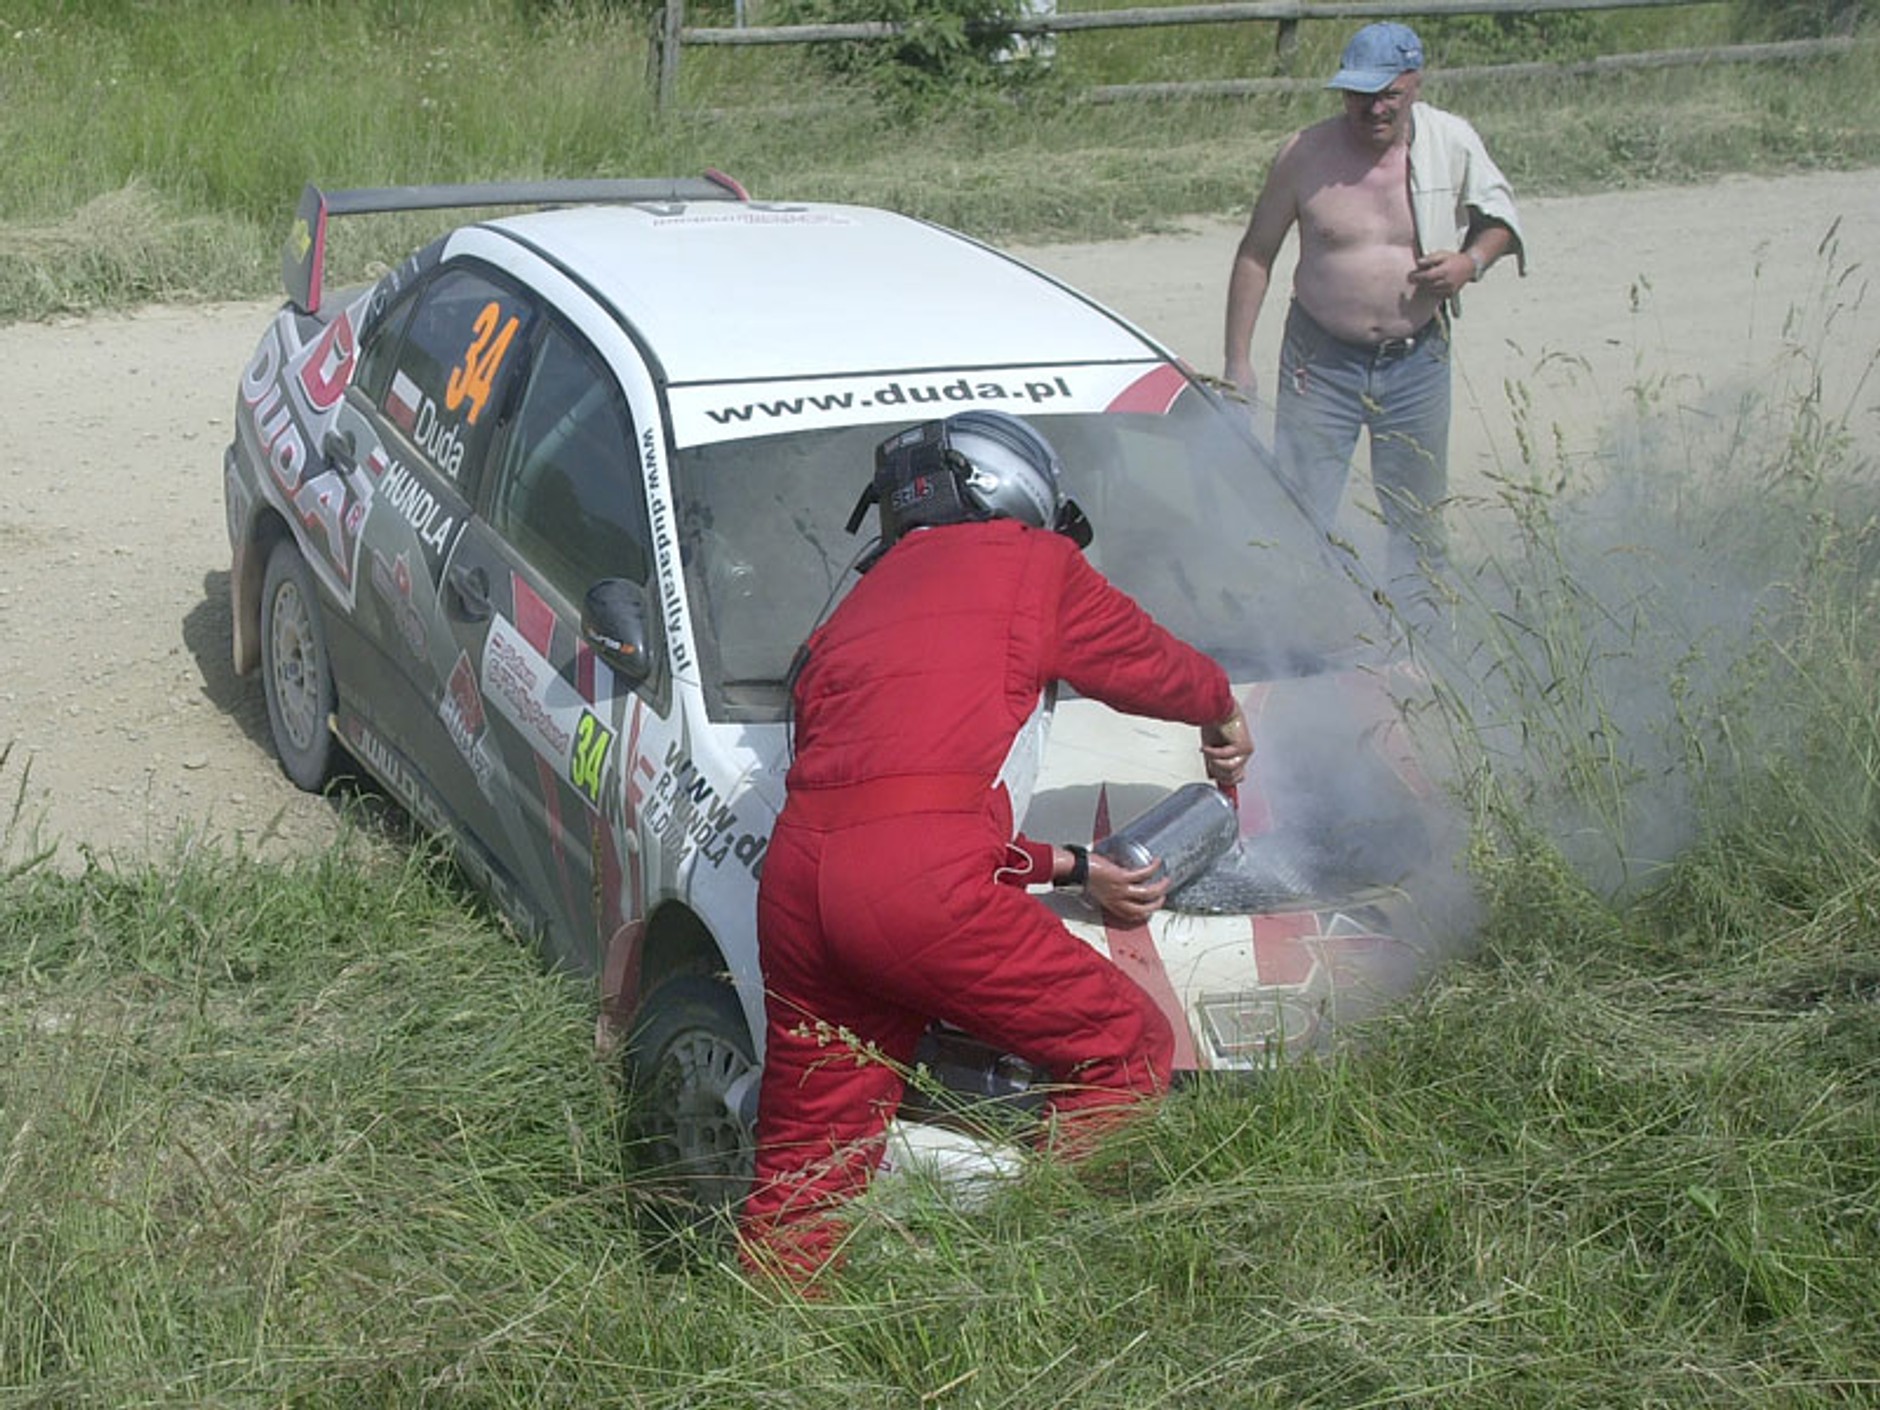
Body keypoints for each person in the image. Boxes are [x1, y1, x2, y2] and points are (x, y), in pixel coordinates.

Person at [738, 409, 1252, 1289]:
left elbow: (893, 812)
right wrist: (1219, 706)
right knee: (1124, 1048)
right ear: (1022, 497)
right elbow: (1142, 660)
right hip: (912, 892)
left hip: (797, 891)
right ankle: (1030, 1275)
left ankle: (759, 1333)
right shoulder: (1029, 562)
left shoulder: (848, 619)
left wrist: (1074, 867)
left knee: (806, 1165)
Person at [1223, 20, 1527, 626]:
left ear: (1414, 84)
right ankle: (1300, 635)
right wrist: (1238, 361)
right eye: (1361, 93)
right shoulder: (1304, 154)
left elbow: (1502, 221)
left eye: (1388, 92)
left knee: (1417, 513)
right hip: (1321, 360)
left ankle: (1422, 640)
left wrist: (1470, 262)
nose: (1374, 108)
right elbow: (1256, 254)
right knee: (1300, 508)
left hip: (1417, 361)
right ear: (1343, 93)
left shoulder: (1452, 141)